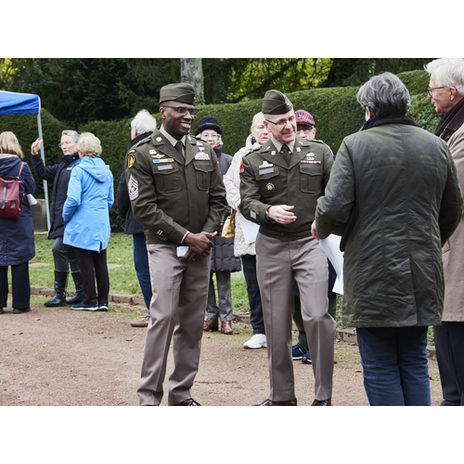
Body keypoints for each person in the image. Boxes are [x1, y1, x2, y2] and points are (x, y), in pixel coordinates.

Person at [312, 72, 462, 406]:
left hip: (371, 271)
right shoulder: (436, 145)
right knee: (414, 361)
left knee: (380, 365)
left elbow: (334, 208)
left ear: (369, 109)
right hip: (423, 270)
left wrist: (322, 227)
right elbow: (452, 209)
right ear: (405, 105)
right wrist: (426, 242)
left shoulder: (354, 145)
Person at [126, 83, 227, 406]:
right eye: (181, 110)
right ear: (163, 111)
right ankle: (149, 396)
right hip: (165, 247)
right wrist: (186, 237)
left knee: (193, 324)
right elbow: (143, 208)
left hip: (201, 249)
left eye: (191, 111)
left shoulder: (203, 150)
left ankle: (181, 393)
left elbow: (219, 200)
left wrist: (206, 236)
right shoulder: (141, 154)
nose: (188, 116)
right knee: (164, 318)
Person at [240, 90, 336, 406]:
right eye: (280, 122)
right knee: (276, 322)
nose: (288, 126)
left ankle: (323, 396)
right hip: (272, 245)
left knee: (317, 315)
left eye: (291, 119)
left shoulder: (320, 152)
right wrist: (268, 212)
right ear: (266, 125)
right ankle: (281, 396)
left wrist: (325, 219)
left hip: (311, 243)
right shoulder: (252, 160)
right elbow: (246, 201)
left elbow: (334, 194)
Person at [425, 58, 464, 406]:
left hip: (457, 248)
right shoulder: (453, 126)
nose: (429, 96)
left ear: (452, 91)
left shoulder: (462, 132)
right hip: (453, 245)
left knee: (452, 324)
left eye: (433, 88)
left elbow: (450, 187)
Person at [291, 109, 338, 365]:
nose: (301, 133)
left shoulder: (325, 154)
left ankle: (322, 345)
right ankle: (303, 341)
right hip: (291, 234)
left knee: (323, 292)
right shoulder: (281, 154)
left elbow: (334, 190)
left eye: (306, 128)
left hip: (319, 234)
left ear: (314, 131)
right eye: (297, 128)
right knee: (295, 293)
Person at [223, 112, 269, 349]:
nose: (264, 130)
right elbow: (228, 182)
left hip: (273, 227)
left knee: (274, 281)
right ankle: (259, 329)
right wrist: (240, 203)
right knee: (252, 280)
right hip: (247, 228)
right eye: (260, 126)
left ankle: (277, 329)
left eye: (267, 126)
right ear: (252, 130)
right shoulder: (241, 155)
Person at [194, 116, 241, 335]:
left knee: (223, 273)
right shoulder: (192, 159)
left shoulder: (229, 161)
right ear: (198, 138)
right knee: (204, 273)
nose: (210, 138)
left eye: (214, 135)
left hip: (223, 224)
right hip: (200, 223)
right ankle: (210, 315)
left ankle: (226, 318)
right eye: (206, 135)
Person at [31, 131, 83, 307]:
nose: (65, 146)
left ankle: (61, 294)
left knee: (58, 249)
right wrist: (35, 155)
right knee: (70, 254)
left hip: (73, 219)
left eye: (68, 142)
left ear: (77, 144)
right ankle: (79, 293)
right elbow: (43, 172)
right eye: (62, 143)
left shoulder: (80, 165)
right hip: (62, 220)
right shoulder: (62, 166)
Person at [62, 132, 114, 311]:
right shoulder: (107, 171)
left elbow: (73, 199)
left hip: (82, 222)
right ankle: (103, 301)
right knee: (101, 263)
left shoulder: (78, 170)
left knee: (84, 263)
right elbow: (110, 200)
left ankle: (89, 300)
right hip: (100, 222)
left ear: (81, 151)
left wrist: (65, 216)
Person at [117, 110, 156, 328]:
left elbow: (126, 185)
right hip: (163, 218)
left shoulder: (134, 150)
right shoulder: (162, 148)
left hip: (140, 218)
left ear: (134, 131)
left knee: (144, 266)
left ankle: (154, 312)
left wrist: (123, 212)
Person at [0, 131, 35, 314]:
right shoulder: (22, 167)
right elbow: (31, 188)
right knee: (20, 261)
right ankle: (20, 304)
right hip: (18, 219)